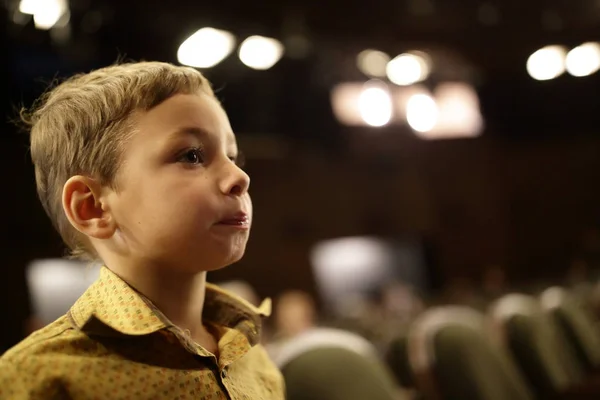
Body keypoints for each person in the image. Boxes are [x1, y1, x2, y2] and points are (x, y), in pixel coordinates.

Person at [0, 62, 285, 399]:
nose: (240, 177)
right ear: (92, 207)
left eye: (233, 155)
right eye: (192, 155)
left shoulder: (256, 361)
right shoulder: (35, 379)